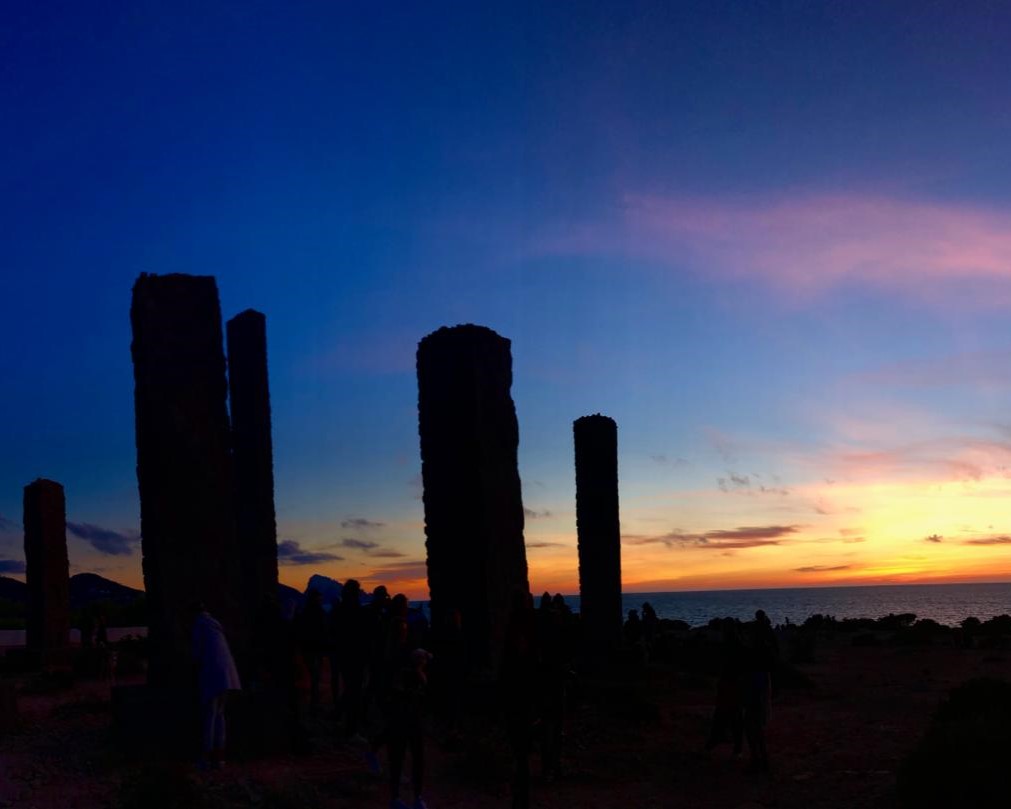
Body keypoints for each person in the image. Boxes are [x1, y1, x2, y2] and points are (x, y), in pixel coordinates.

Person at [191, 604, 241, 768]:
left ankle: (207, 756)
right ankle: (220, 757)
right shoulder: (215, 625)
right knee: (220, 714)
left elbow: (196, 653)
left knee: (210, 715)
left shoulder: (199, 624)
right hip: (228, 673)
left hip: (213, 674)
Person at [705, 619, 744, 757]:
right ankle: (731, 743)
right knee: (731, 714)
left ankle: (721, 741)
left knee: (729, 713)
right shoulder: (734, 644)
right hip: (730, 683)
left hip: (730, 683)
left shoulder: (731, 645)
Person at [297, 589, 329, 712]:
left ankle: (312, 703)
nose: (321, 601)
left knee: (312, 676)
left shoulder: (305, 613)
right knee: (315, 677)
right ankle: (314, 704)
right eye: (319, 599)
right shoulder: (320, 613)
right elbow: (324, 630)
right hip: (316, 648)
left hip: (309, 648)